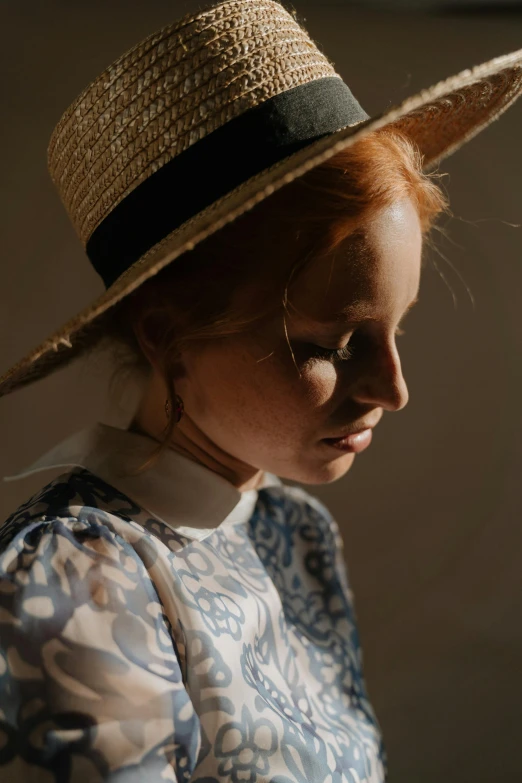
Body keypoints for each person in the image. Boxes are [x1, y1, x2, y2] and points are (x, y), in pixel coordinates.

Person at [0, 2, 520, 781]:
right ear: (167, 335)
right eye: (332, 345)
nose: (394, 389)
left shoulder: (293, 530)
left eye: (396, 329)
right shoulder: (77, 585)